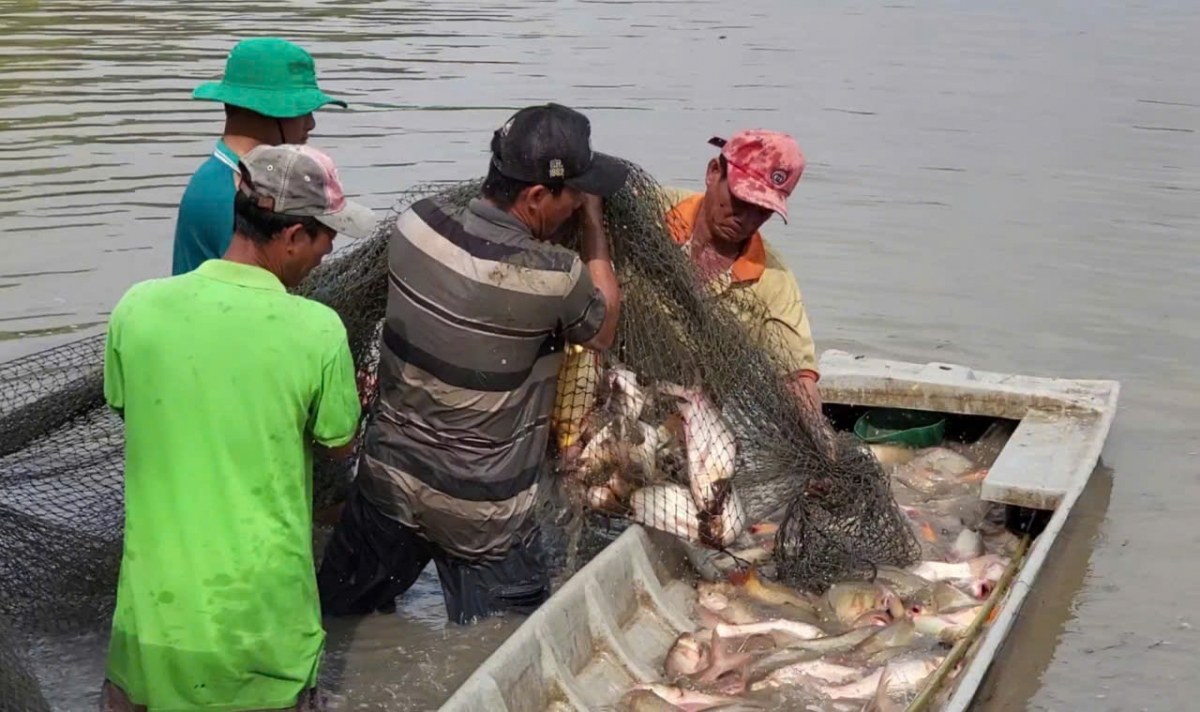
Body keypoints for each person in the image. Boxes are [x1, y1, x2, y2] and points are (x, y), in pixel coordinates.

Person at [317, 103, 627, 625]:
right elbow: (602, 326)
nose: (576, 203)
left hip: (389, 486)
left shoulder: (416, 224)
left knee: (335, 621)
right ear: (536, 196)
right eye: (573, 193)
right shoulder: (555, 275)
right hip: (484, 517)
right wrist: (594, 225)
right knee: (505, 647)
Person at [100, 144, 376, 712]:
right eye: (326, 237)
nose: (328, 252)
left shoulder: (136, 307)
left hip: (149, 639)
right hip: (263, 641)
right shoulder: (319, 330)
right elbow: (339, 442)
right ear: (293, 235)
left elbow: (133, 408)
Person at [662, 129, 824, 414]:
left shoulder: (774, 278)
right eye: (740, 201)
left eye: (762, 211)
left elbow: (797, 378)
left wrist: (817, 434)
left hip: (693, 416)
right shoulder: (654, 209)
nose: (746, 219)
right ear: (713, 172)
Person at [172, 37, 347, 276]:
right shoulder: (235, 194)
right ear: (267, 111)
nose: (311, 124)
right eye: (303, 112)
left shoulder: (222, 176)